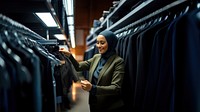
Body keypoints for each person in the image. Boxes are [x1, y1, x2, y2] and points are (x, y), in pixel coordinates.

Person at [59, 30, 125, 112]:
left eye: (102, 43)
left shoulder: (118, 61)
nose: (98, 46)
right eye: (97, 42)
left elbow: (116, 88)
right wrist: (70, 56)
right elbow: (79, 66)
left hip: (109, 106)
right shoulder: (96, 57)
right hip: (94, 103)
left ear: (111, 43)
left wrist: (92, 88)